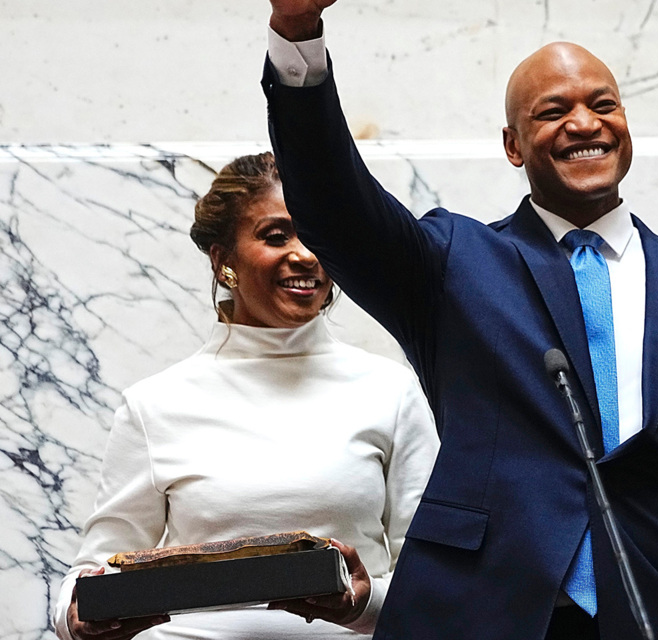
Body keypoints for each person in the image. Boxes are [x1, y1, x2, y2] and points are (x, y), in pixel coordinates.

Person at [258, 0, 658, 640]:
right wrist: (299, 34)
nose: (584, 122)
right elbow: (335, 205)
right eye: (553, 111)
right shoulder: (454, 262)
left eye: (603, 104)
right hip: (481, 616)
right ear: (513, 145)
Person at [53, 152, 439, 640]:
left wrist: (361, 605)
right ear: (223, 260)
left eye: (317, 234)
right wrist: (80, 619)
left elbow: (432, 583)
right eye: (276, 236)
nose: (305, 254)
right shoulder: (153, 404)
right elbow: (87, 578)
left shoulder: (391, 391)